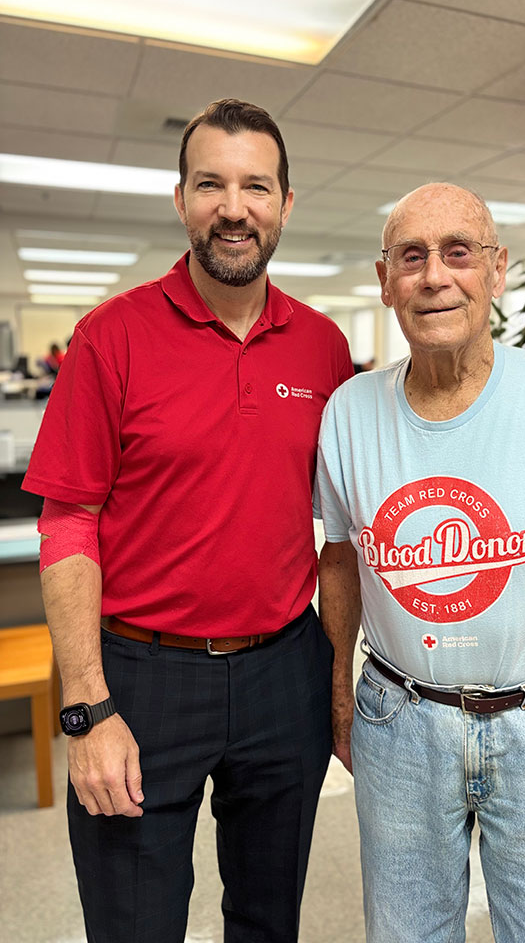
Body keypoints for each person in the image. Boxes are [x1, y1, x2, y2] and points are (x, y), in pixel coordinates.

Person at [22, 98, 353, 943]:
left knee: (269, 920)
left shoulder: (323, 348)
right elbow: (68, 524)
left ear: (286, 204)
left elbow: (345, 534)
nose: (234, 208)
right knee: (134, 925)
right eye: (211, 184)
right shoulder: (111, 337)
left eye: (256, 187)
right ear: (181, 200)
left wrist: (337, 682)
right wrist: (86, 708)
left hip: (285, 671)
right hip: (142, 679)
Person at [316, 183, 525, 942]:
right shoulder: (348, 413)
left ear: (498, 270)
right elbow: (338, 566)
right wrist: (339, 696)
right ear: (385, 281)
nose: (435, 276)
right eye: (412, 257)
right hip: (399, 724)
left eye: (458, 253)